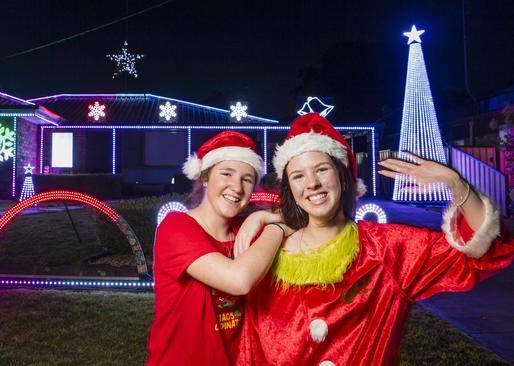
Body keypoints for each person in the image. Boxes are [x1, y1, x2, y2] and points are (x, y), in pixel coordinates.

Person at [235, 113, 514, 365]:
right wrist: (266, 222)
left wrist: (455, 181)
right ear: (290, 188)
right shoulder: (269, 252)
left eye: (322, 169)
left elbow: (486, 249)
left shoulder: (386, 249)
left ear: (343, 177)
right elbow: (249, 346)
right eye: (298, 175)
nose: (312, 184)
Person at [147, 130, 291, 366]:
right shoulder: (176, 227)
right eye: (226, 174)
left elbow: (302, 219)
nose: (237, 186)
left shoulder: (244, 229)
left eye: (247, 179)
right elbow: (238, 280)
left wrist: (260, 218)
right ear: (205, 177)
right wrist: (275, 227)